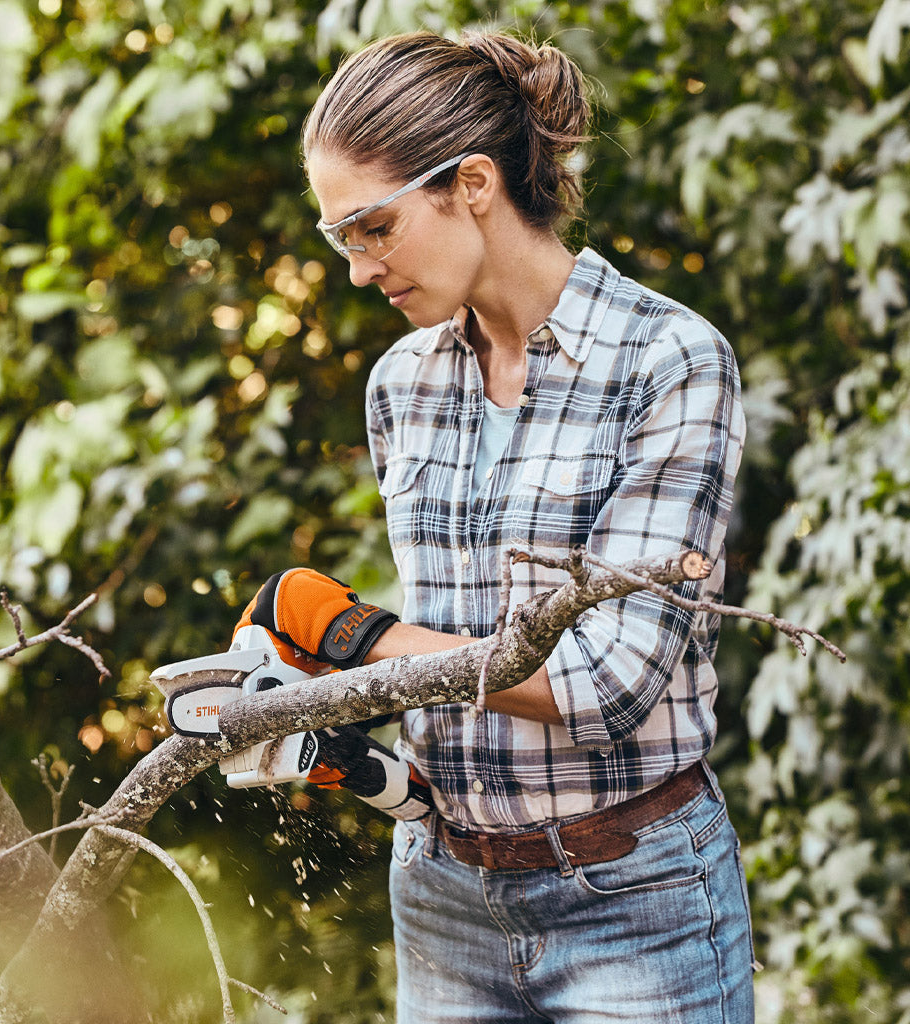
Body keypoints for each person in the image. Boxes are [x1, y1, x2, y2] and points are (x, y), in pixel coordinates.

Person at [236, 29, 753, 1024]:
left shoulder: (669, 363)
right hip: (442, 896)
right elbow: (453, 646)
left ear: (472, 182)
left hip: (632, 901)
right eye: (339, 238)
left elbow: (605, 684)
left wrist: (349, 633)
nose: (355, 267)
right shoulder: (403, 384)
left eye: (372, 228)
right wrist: (311, 693)